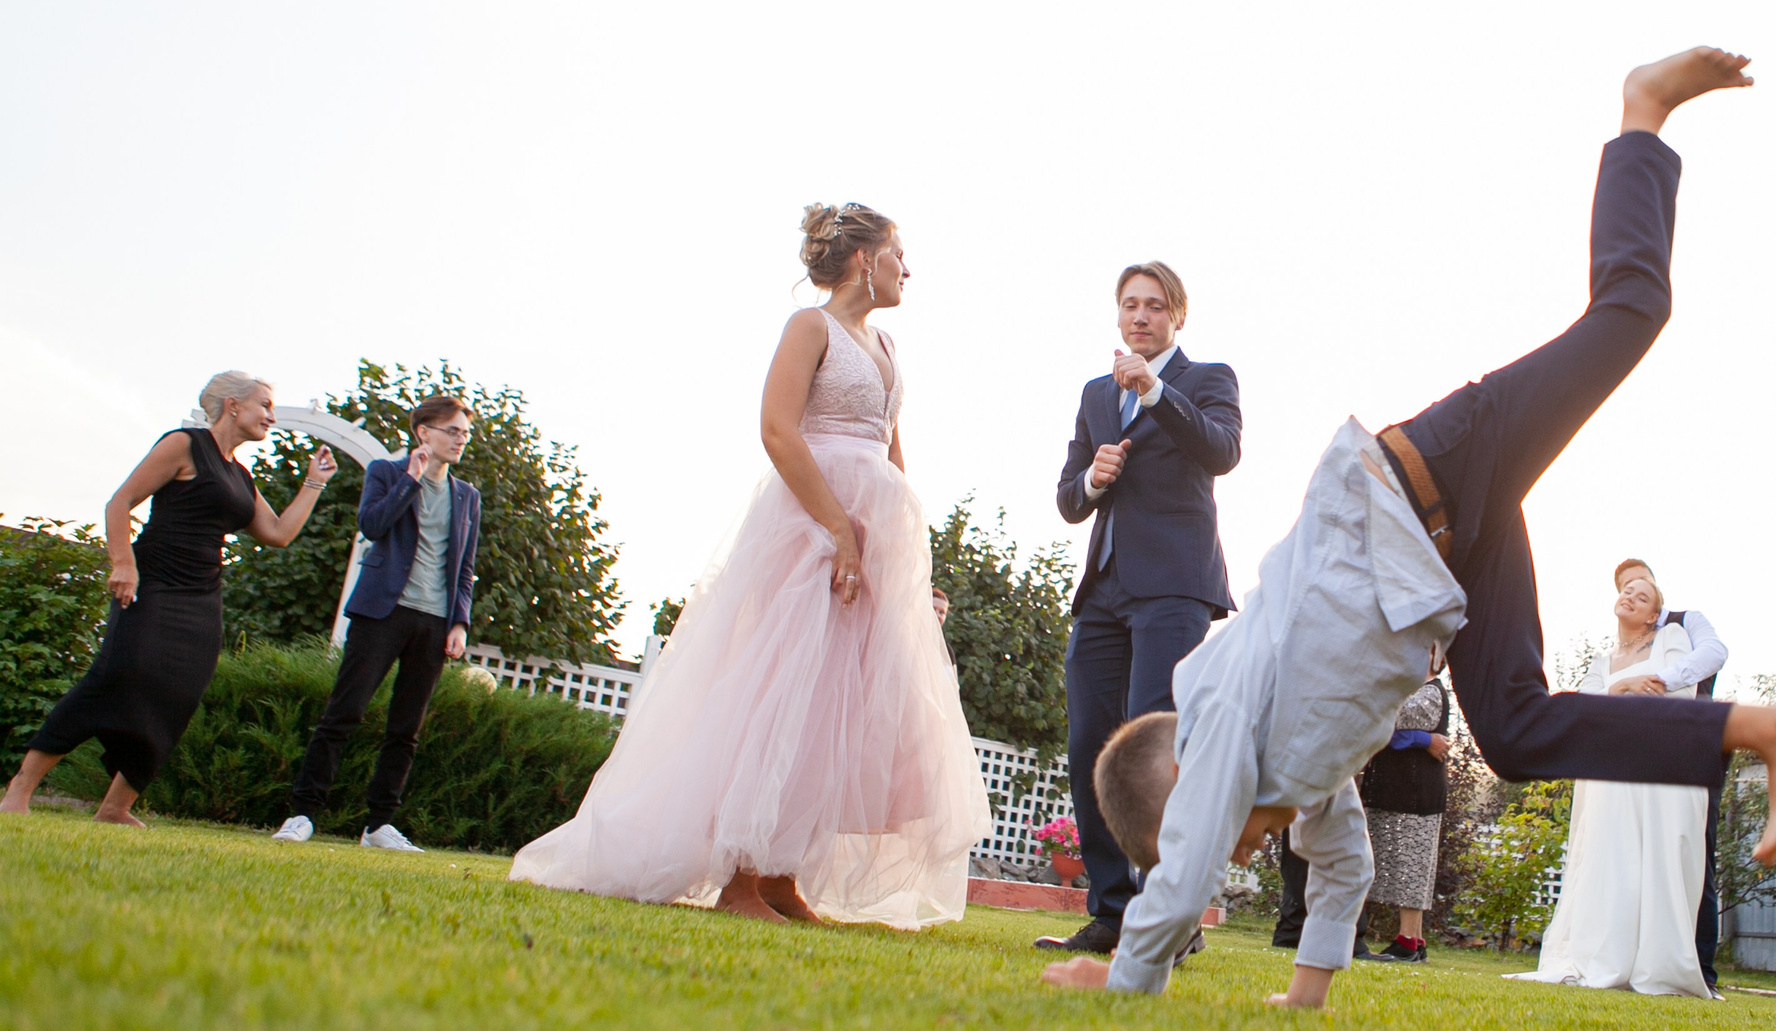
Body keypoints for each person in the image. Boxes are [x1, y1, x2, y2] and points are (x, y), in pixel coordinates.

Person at [1043, 45, 1776, 1007]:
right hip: (1448, 548)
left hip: (1424, 473)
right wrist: (1306, 993)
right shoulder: (1304, 769)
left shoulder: (1217, 708)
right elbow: (1346, 870)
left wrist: (1127, 975)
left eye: (1209, 834)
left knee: (1632, 311)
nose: (1241, 844)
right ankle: (1769, 731)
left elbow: (1180, 876)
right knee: (1512, 731)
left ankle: (1642, 112)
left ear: (1186, 780)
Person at [509, 202, 989, 925]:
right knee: (780, 691)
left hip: (875, 531)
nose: (907, 269)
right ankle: (736, 879)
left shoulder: (887, 343)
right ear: (867, 258)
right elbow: (776, 427)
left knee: (836, 706)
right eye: (899, 254)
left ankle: (780, 876)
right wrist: (839, 530)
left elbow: (892, 449)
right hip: (809, 527)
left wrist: (904, 558)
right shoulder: (810, 327)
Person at [2, 372, 336, 825]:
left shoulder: (239, 474)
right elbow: (121, 501)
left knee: (178, 696)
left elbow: (277, 534)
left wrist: (313, 483)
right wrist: (123, 562)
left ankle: (116, 808)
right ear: (234, 406)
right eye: (265, 405)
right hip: (154, 581)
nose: (271, 417)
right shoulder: (184, 444)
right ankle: (20, 788)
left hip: (202, 596)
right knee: (114, 677)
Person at [1038, 261, 1242, 956]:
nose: (1140, 316)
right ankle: (1112, 910)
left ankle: (1173, 917)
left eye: (1154, 305)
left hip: (1175, 588)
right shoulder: (1096, 393)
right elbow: (1068, 498)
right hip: (1104, 588)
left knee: (1157, 753)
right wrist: (1092, 481)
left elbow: (1221, 451)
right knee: (1090, 744)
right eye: (1130, 304)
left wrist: (1155, 391)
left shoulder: (1208, 379)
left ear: (1176, 315)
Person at [273, 395, 483, 852]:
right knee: (343, 714)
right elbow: (372, 525)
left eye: (465, 434)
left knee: (406, 729)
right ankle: (303, 813)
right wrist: (411, 479)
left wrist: (460, 623)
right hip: (381, 613)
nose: (460, 440)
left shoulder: (468, 497)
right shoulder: (385, 473)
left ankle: (379, 826)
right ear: (423, 433)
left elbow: (465, 568)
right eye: (452, 431)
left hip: (433, 621)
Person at [1510, 562, 1715, 997]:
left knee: (1654, 860)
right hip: (1611, 772)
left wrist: (1638, 691)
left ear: (1652, 615)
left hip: (1658, 769)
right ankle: (1603, 951)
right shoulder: (1603, 660)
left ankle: (1655, 962)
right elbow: (1586, 706)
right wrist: (1622, 690)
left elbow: (1683, 690)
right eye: (1627, 590)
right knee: (1612, 859)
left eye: (1642, 597)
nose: (1630, 597)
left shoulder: (1673, 638)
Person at [1601, 565, 1731, 985]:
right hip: (1634, 767)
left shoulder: (1682, 623)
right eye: (1624, 587)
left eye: (1639, 584)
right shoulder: (1621, 646)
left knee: (1693, 853)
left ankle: (1702, 970)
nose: (1631, 591)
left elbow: (1713, 653)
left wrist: (1658, 680)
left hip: (1693, 746)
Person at [1351, 676, 1453, 964]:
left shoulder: (1429, 692)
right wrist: (1424, 740)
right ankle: (1414, 940)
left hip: (1413, 793)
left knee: (1411, 865)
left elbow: (1389, 719)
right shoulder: (1416, 689)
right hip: (1401, 790)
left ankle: (1409, 941)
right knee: (1409, 865)